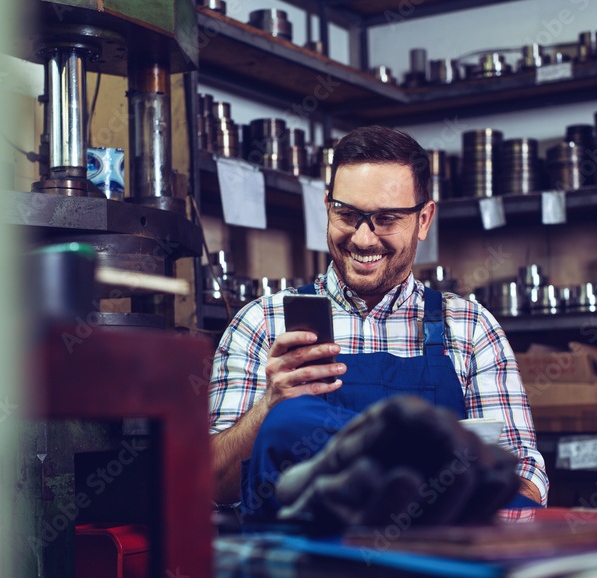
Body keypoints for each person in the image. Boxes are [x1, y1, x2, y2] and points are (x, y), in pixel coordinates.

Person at [207, 125, 547, 520]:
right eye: (347, 214)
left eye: (386, 219)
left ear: (424, 219)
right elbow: (209, 484)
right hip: (302, 573)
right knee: (293, 420)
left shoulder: (471, 329)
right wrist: (269, 406)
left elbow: (524, 474)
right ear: (327, 207)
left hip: (434, 571)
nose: (363, 239)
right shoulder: (261, 323)